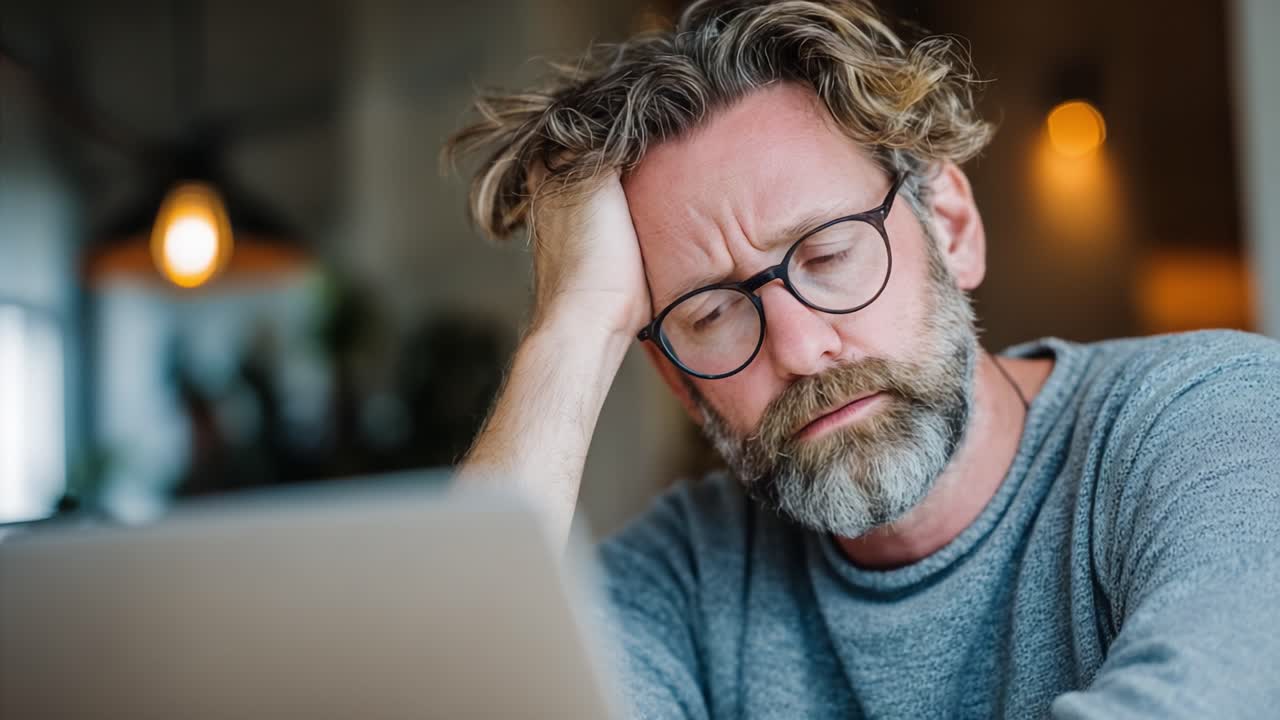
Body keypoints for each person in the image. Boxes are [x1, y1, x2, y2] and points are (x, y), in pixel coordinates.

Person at [445, 1, 1280, 717]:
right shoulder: (688, 574)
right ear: (673, 376)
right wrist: (572, 329)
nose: (802, 350)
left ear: (950, 228)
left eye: (830, 256)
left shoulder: (1210, 422)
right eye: (711, 314)